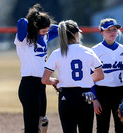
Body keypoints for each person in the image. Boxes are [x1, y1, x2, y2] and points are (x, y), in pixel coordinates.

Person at [41, 20, 104, 133]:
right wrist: (86, 80)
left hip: (66, 97)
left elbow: (45, 80)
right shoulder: (88, 51)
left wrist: (56, 81)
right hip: (86, 95)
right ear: (76, 34)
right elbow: (100, 75)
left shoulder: (57, 53)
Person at [14, 4, 58, 133]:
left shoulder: (43, 37)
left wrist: (46, 30)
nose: (46, 33)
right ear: (35, 28)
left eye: (46, 31)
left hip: (41, 84)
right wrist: (32, 21)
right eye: (43, 30)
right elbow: (21, 22)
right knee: (31, 127)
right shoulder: (23, 40)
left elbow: (57, 29)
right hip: (29, 85)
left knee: (42, 122)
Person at [91, 18, 123, 133]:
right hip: (101, 92)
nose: (112, 32)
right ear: (102, 33)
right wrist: (94, 99)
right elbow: (90, 78)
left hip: (119, 92)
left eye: (114, 29)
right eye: (108, 30)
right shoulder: (95, 50)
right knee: (102, 126)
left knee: (121, 125)